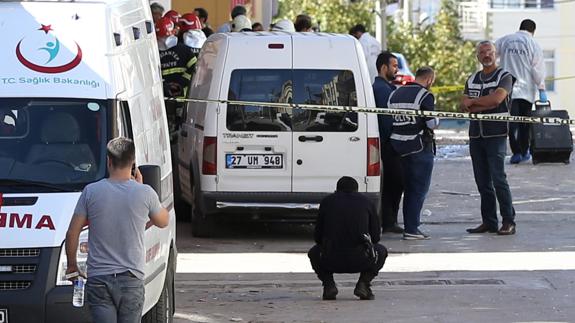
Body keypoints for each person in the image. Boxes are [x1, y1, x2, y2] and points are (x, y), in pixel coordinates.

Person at [65, 137, 169, 323]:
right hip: (131, 279)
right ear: (133, 163)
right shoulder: (144, 193)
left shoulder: (91, 192)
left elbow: (72, 233)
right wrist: (140, 187)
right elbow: (163, 221)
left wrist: (73, 266)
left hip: (99, 280)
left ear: (109, 161)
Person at [461, 40, 517, 235]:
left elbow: (497, 99)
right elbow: (464, 105)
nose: (486, 55)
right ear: (478, 57)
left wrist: (476, 103)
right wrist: (482, 104)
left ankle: (509, 221)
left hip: (496, 134)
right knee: (482, 181)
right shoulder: (472, 79)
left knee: (498, 178)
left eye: (490, 52)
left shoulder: (505, 77)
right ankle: (489, 221)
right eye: (482, 52)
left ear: (496, 55)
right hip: (476, 135)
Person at [308, 177, 388, 301]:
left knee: (313, 252)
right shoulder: (367, 202)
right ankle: (364, 284)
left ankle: (329, 285)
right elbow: (376, 237)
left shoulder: (327, 202)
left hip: (330, 258)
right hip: (361, 258)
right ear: (357, 190)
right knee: (381, 251)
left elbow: (317, 236)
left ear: (336, 190)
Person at [388, 67, 438, 240]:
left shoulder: (396, 93)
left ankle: (410, 225)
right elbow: (431, 123)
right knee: (418, 189)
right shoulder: (425, 96)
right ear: (429, 80)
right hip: (419, 147)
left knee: (408, 188)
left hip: (398, 146)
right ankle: (411, 228)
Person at [495, 19, 547, 164]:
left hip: (507, 89)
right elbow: (538, 68)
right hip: (526, 90)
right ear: (533, 31)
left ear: (520, 27)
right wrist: (541, 88)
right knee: (526, 122)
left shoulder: (505, 40)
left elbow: (491, 52)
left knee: (512, 122)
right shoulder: (533, 44)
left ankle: (516, 152)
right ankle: (525, 151)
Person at [372, 51, 404, 234]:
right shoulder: (383, 90)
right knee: (394, 182)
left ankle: (390, 220)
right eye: (393, 66)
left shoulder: (384, 87)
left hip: (387, 144)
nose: (396, 69)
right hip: (389, 145)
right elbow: (387, 120)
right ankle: (389, 221)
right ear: (384, 67)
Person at [156, 17, 196, 139]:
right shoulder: (154, 52)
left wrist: (181, 83)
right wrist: (163, 86)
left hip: (181, 99)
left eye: (165, 37)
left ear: (173, 33)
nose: (163, 41)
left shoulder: (183, 50)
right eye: (160, 37)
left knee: (181, 131)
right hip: (162, 99)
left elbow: (194, 68)